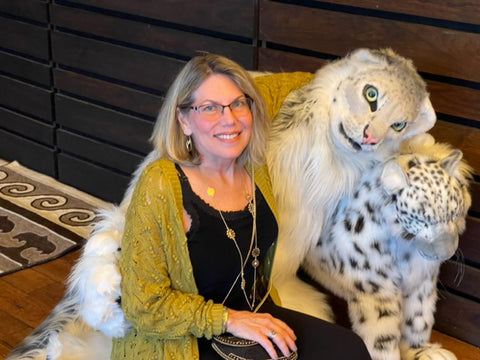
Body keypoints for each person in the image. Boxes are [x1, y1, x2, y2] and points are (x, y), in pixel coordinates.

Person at [110, 53, 372, 359]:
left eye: (238, 103)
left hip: (257, 313)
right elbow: (143, 305)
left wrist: (351, 80)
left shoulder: (252, 165)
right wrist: (230, 319)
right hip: (187, 336)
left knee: (350, 350)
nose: (230, 119)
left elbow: (281, 88)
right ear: (183, 120)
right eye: (209, 108)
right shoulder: (161, 184)